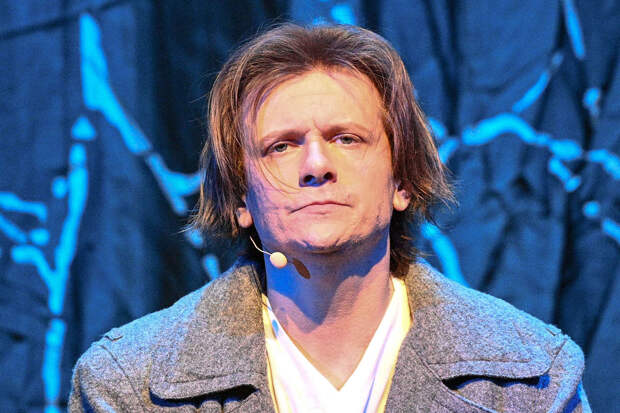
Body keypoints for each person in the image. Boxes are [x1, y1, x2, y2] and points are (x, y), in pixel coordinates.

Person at [69, 24, 590, 412]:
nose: (316, 165)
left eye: (347, 138)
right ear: (241, 199)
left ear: (402, 181)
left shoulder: (532, 378)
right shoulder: (130, 385)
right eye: (281, 146)